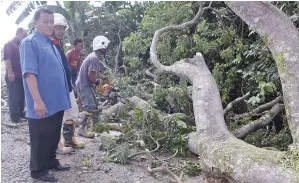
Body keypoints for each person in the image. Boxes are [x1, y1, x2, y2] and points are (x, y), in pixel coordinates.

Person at [20, 8, 71, 182]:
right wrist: (37, 100)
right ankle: (38, 170)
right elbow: (29, 73)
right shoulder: (30, 42)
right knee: (41, 137)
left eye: (51, 22)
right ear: (35, 23)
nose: (50, 25)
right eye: (46, 21)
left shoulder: (50, 42)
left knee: (53, 134)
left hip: (57, 102)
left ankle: (50, 162)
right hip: (43, 102)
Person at [51, 13, 84, 154]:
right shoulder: (49, 43)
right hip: (58, 86)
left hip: (66, 84)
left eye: (63, 28)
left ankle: (69, 139)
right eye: (58, 28)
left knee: (72, 112)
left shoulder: (59, 44)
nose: (61, 31)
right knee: (57, 116)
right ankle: (57, 144)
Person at [75, 35, 110, 138]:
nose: (105, 48)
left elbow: (95, 72)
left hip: (85, 84)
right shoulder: (94, 58)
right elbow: (91, 74)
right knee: (89, 106)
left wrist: (104, 78)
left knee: (95, 105)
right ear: (100, 46)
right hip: (84, 84)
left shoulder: (94, 56)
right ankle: (82, 129)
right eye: (104, 46)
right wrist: (97, 84)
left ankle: (96, 127)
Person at [3, 28, 28, 123]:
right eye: (23, 36)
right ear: (17, 33)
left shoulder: (21, 45)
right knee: (14, 96)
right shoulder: (9, 44)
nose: (24, 38)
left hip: (21, 75)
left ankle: (21, 113)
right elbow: (7, 59)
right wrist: (10, 72)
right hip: (13, 75)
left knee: (22, 96)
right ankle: (15, 117)